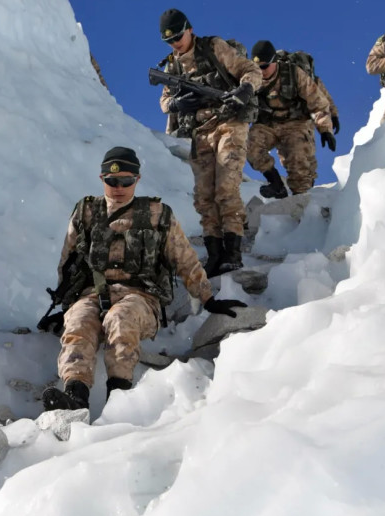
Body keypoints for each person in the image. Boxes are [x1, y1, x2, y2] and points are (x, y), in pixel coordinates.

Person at [39, 146, 245, 412]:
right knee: (78, 322)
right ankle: (75, 398)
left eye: (126, 180)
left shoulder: (158, 215)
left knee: (121, 319)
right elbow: (67, 263)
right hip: (91, 293)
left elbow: (185, 260)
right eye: (112, 181)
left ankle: (118, 400)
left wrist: (208, 299)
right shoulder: (86, 212)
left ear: (136, 180)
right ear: (102, 179)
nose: (119, 187)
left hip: (142, 298)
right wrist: (67, 304)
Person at [157, 9, 262, 277]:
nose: (176, 43)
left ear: (189, 29)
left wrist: (245, 89)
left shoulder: (214, 47)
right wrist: (176, 103)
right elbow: (164, 102)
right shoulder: (174, 66)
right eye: (169, 41)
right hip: (200, 132)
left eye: (179, 36)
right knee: (204, 197)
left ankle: (233, 251)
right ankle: (214, 254)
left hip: (228, 123)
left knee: (226, 186)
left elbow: (250, 70)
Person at [247, 40, 336, 199]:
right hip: (268, 124)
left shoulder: (293, 74)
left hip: (296, 123)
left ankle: (303, 208)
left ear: (274, 61)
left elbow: (317, 101)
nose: (261, 71)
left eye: (264, 66)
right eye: (257, 67)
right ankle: (276, 184)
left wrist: (325, 129)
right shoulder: (250, 78)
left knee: (299, 169)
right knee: (250, 147)